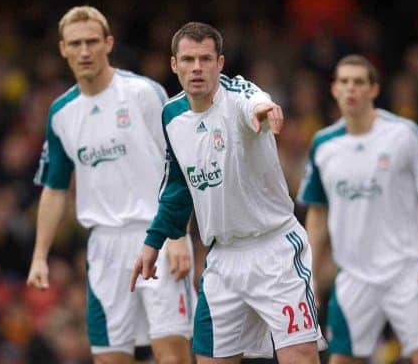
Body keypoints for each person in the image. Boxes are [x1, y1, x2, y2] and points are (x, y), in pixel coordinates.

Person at [131, 22, 325, 364]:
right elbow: (178, 186)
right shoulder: (171, 115)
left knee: (301, 357)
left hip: (275, 249)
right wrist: (153, 242)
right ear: (174, 64)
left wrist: (265, 111)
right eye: (188, 60)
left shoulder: (239, 96)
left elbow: (255, 102)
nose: (197, 68)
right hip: (222, 257)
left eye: (206, 59)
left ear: (220, 63)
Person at [26, 6, 195, 364]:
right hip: (103, 246)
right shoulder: (62, 113)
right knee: (109, 358)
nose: (84, 51)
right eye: (76, 44)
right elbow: (55, 189)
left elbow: (181, 163)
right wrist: (40, 255)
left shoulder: (143, 93)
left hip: (159, 235)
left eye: (91, 42)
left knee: (173, 355)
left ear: (108, 43)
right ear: (63, 49)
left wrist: (179, 234)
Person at [297, 55, 418, 364]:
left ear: (374, 89)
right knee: (342, 359)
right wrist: (309, 269)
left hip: (409, 269)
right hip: (353, 275)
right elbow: (317, 211)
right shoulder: (323, 144)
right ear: (334, 89)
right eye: (344, 82)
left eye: (358, 82)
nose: (351, 88)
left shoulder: (405, 134)